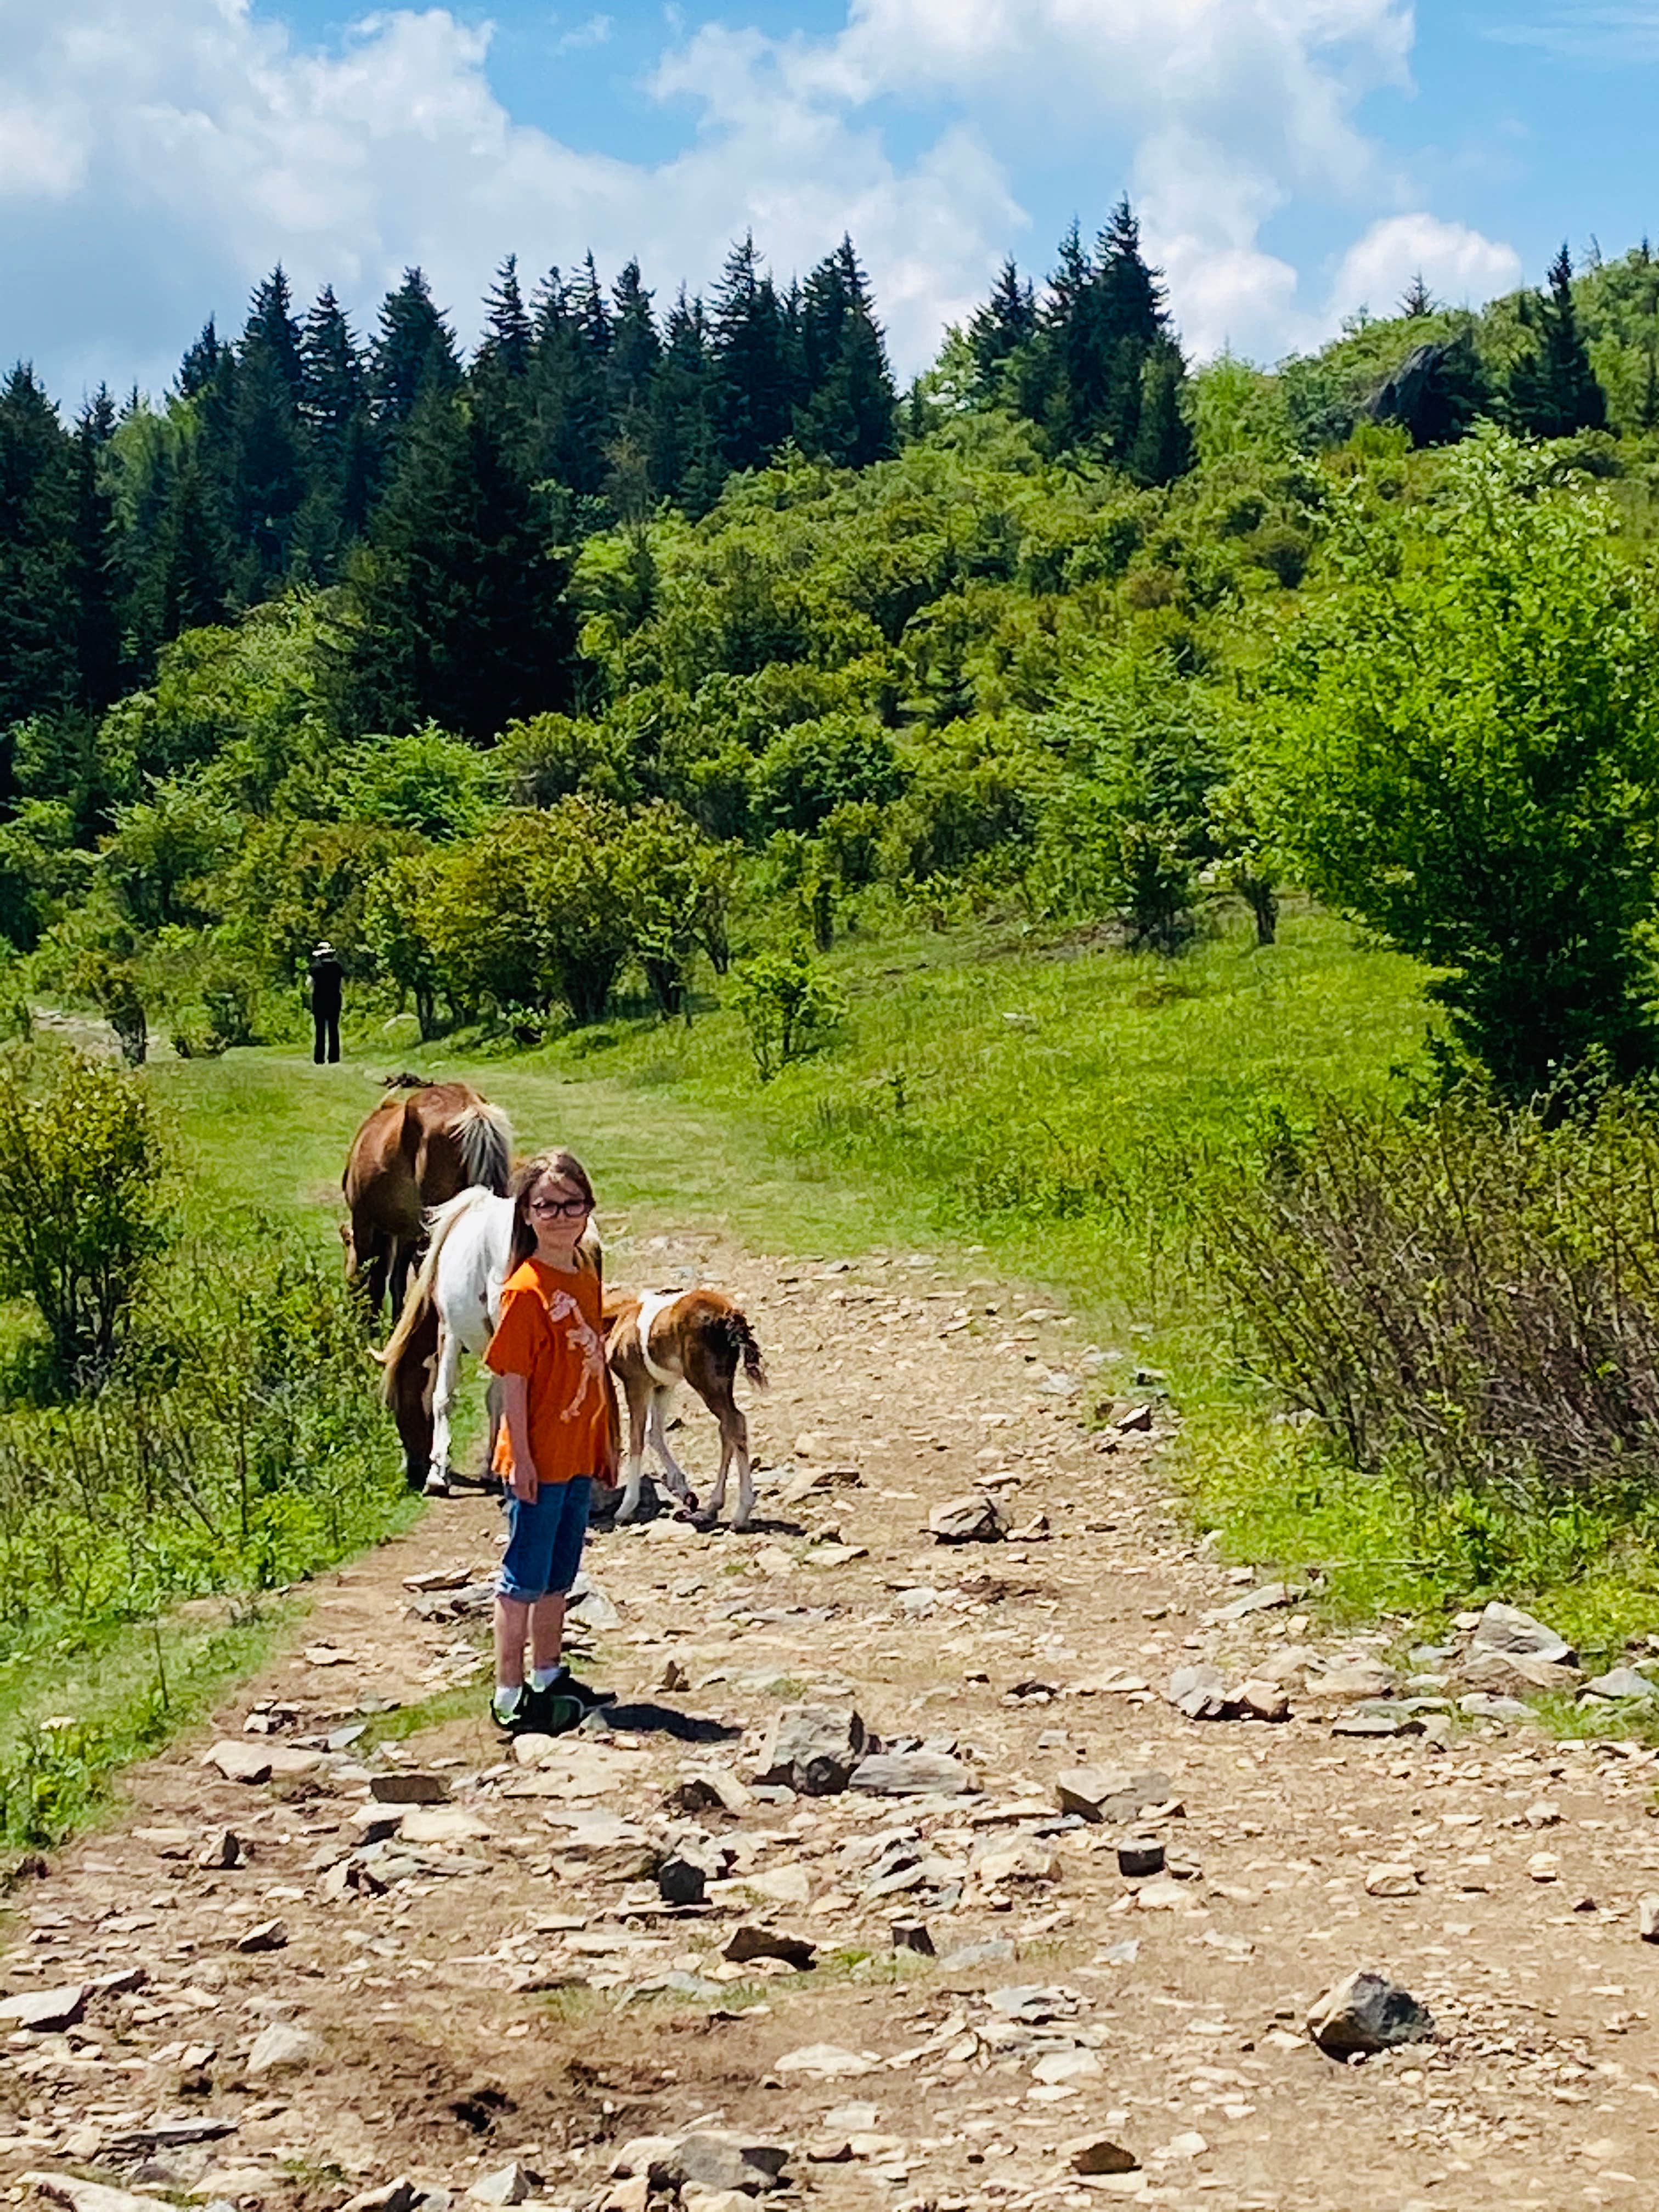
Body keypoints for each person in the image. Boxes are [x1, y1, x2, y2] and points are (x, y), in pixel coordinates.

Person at [484, 1147, 619, 1733]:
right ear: (527, 1213)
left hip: (575, 1452)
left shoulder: (584, 1276)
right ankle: (509, 1691)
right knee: (524, 1578)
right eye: (547, 1206)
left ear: (588, 1209)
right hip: (537, 1455)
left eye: (572, 1204)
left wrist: (603, 1440)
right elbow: (513, 1380)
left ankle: (548, 1672)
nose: (561, 1216)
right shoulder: (526, 1290)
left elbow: (592, 1367)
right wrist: (521, 1456)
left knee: (560, 1575)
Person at [308, 940, 343, 1065]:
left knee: (320, 1030)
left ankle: (319, 1058)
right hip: (334, 1000)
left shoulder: (315, 968)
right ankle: (334, 1057)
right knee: (334, 1029)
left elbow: (309, 984)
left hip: (319, 1001)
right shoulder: (337, 967)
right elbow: (342, 985)